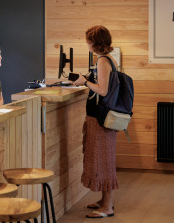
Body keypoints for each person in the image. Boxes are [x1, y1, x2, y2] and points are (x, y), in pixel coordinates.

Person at [73, 25, 118, 219]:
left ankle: (107, 207)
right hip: (102, 118)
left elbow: (103, 90)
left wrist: (84, 82)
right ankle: (104, 201)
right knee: (102, 159)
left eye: (88, 41)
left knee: (104, 161)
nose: (87, 44)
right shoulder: (107, 59)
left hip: (101, 119)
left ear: (95, 42)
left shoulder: (102, 61)